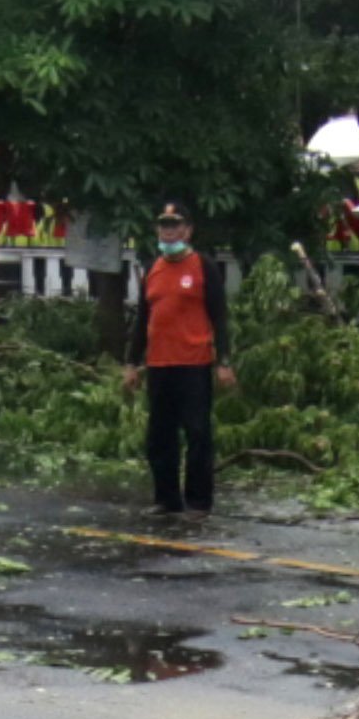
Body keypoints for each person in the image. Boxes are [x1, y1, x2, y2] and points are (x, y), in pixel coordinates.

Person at [124, 202, 235, 516]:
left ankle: (199, 501)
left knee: (197, 433)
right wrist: (132, 363)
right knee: (160, 435)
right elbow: (143, 319)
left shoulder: (203, 266)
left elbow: (219, 317)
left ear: (188, 230)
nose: (168, 230)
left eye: (174, 225)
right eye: (164, 225)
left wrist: (223, 361)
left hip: (194, 363)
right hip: (159, 365)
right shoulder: (153, 269)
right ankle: (166, 499)